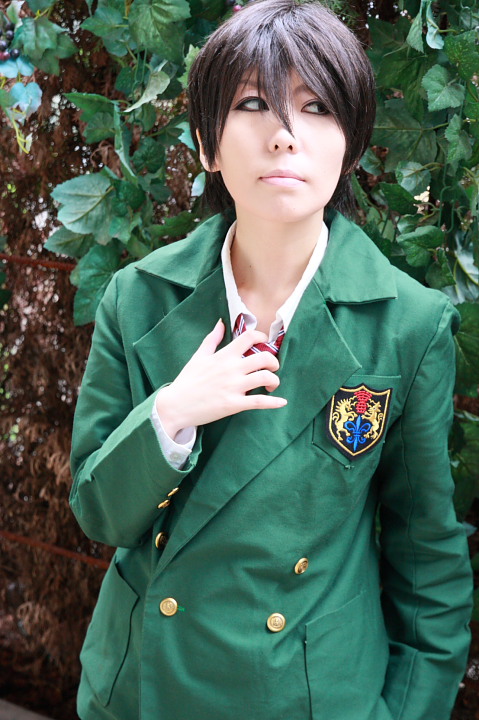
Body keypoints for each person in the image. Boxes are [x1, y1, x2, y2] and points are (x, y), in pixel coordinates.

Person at [69, 1, 473, 718]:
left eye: (316, 107)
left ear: (351, 144)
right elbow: (99, 514)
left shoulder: (408, 325)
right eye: (253, 104)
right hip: (145, 688)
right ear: (207, 144)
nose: (284, 134)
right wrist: (171, 414)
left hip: (311, 697)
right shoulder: (137, 298)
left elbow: (427, 562)